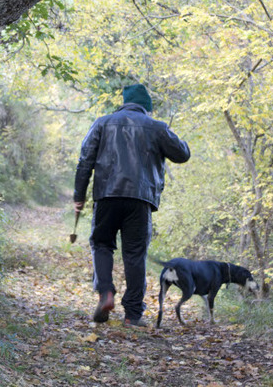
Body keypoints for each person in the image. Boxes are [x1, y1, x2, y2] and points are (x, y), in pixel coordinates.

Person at [73, 84, 190, 327]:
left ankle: (105, 292)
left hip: (107, 195)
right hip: (140, 198)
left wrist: (79, 195)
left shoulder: (103, 123)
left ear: (124, 102)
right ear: (146, 107)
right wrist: (166, 131)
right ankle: (133, 314)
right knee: (135, 253)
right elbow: (182, 154)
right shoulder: (156, 127)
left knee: (102, 244)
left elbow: (85, 160)